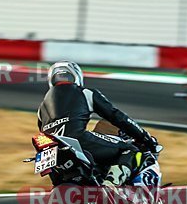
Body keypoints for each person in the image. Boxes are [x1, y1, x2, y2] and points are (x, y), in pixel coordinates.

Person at [37, 61, 158, 192]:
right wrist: (144, 137)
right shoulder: (85, 93)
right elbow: (117, 116)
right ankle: (112, 183)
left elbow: (42, 129)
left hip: (49, 149)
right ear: (77, 76)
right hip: (77, 140)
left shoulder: (41, 108)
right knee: (130, 149)